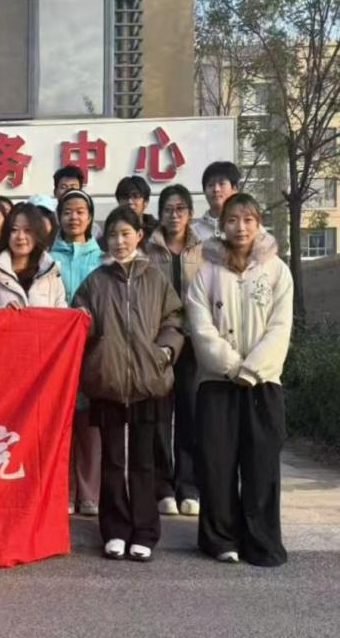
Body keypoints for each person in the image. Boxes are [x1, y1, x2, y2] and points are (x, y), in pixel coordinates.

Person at [187, 193, 292, 567]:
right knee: (217, 464)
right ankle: (220, 538)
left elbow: (280, 327)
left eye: (248, 220)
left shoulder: (277, 271)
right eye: (232, 220)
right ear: (222, 225)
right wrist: (232, 367)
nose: (240, 227)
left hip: (263, 382)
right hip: (218, 382)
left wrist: (252, 369)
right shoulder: (206, 273)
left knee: (261, 465)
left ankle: (262, 541)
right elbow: (200, 327)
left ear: (259, 223)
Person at [74, 207, 184, 562]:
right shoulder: (95, 282)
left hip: (147, 381)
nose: (119, 241)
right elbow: (80, 325)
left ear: (139, 235)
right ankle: (115, 530)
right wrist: (90, 343)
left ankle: (145, 530)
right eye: (112, 235)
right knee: (111, 461)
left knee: (143, 461)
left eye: (125, 234)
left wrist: (164, 352)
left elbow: (173, 319)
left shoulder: (155, 278)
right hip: (107, 382)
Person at [143, 184, 203, 517]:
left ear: (190, 214)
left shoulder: (204, 249)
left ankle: (188, 484)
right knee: (159, 416)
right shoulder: (148, 250)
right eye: (168, 209)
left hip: (194, 343)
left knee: (190, 414)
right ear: (160, 213)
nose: (174, 214)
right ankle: (162, 485)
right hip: (160, 343)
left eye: (180, 209)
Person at [50, 189, 105, 517]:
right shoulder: (48, 258)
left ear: (90, 216)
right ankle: (65, 490)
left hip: (93, 348)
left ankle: (90, 492)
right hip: (57, 352)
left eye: (80, 211)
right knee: (62, 420)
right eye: (68, 211)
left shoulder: (102, 258)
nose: (74, 217)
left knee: (90, 423)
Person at [0, 204, 66, 309]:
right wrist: (3, 312)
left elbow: (62, 313)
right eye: (14, 230)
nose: (20, 236)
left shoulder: (51, 272)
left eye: (27, 230)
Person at [192, 161, 241, 241]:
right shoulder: (193, 232)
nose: (216, 189)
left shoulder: (247, 227)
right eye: (210, 185)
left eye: (221, 184)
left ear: (235, 188)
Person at [115, 176, 159, 245]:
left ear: (146, 201)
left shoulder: (158, 230)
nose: (130, 201)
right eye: (125, 197)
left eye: (135, 196)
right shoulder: (111, 230)